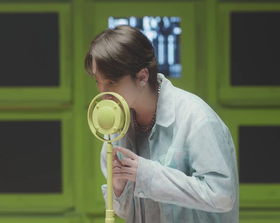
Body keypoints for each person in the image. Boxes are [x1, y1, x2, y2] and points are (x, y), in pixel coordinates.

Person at [84, 25, 239, 223]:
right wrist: (119, 188)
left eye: (112, 82)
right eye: (98, 81)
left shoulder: (196, 118)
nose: (103, 93)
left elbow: (222, 196)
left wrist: (148, 175)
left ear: (142, 76)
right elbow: (125, 212)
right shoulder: (116, 126)